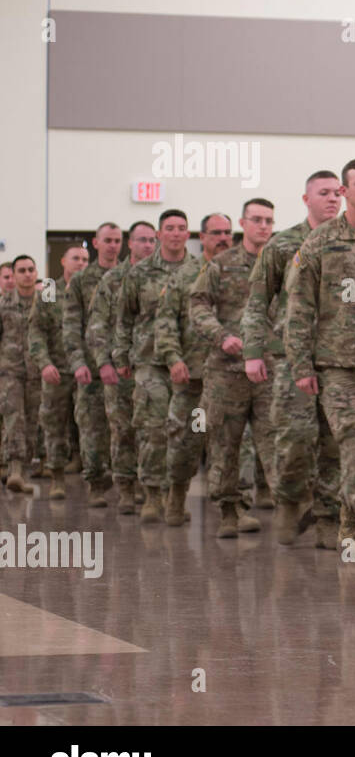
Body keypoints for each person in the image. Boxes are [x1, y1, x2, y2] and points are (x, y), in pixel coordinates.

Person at [285, 158, 355, 563]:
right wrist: (301, 365)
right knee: (353, 438)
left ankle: (351, 522)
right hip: (337, 365)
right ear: (345, 192)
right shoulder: (318, 242)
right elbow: (298, 308)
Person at [242, 170, 343, 547]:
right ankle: (288, 501)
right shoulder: (283, 246)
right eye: (323, 193)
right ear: (306, 200)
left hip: (340, 359)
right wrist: (253, 352)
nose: (332, 199)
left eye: (337, 193)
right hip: (289, 357)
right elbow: (256, 303)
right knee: (295, 437)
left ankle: (329, 517)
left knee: (336, 442)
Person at [190, 198, 277, 536]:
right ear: (244, 223)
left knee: (277, 440)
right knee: (225, 443)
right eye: (256, 219)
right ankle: (230, 511)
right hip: (227, 370)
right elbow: (198, 306)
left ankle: (288, 505)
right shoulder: (221, 265)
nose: (263, 226)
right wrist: (221, 336)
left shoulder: (282, 263)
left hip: (271, 368)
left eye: (269, 220)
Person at [113, 209, 198, 522]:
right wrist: (121, 355)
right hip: (149, 361)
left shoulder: (201, 270)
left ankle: (177, 496)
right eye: (169, 228)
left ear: (188, 234)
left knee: (186, 433)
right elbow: (124, 317)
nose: (175, 233)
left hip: (191, 363)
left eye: (181, 228)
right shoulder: (139, 273)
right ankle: (151, 495)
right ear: (160, 234)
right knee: (152, 429)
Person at [154, 212, 233, 526]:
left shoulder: (242, 271)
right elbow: (165, 321)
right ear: (203, 237)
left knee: (231, 444)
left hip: (232, 375)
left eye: (228, 232)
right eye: (216, 233)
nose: (223, 238)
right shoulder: (185, 275)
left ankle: (232, 509)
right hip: (194, 375)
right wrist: (173, 358)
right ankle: (176, 496)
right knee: (187, 440)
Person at [86, 221, 156, 512]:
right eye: (141, 240)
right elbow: (98, 325)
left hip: (153, 369)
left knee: (152, 431)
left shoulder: (163, 278)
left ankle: (149, 486)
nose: (148, 246)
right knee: (122, 430)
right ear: (130, 243)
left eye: (152, 240)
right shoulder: (114, 279)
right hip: (120, 368)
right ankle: (126, 489)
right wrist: (103, 363)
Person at [64, 223, 123, 508]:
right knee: (91, 428)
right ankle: (96, 484)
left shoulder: (128, 275)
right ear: (96, 243)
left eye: (117, 240)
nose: (113, 245)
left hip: (123, 366)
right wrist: (77, 362)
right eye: (107, 240)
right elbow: (71, 325)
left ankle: (127, 483)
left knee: (125, 428)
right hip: (90, 367)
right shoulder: (81, 281)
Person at [29, 246, 89, 499]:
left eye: (85, 259)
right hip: (58, 370)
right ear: (63, 261)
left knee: (90, 425)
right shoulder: (50, 290)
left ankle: (92, 474)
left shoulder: (93, 289)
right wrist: (44, 363)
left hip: (87, 369)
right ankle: (56, 477)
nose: (81, 263)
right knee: (53, 424)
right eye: (76, 258)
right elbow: (36, 332)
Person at [2, 255, 41, 493]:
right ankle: (14, 469)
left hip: (38, 371)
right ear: (14, 275)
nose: (27, 274)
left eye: (30, 269)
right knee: (14, 419)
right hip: (9, 371)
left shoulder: (46, 303)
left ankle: (23, 472)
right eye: (22, 270)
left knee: (32, 422)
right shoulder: (3, 303)